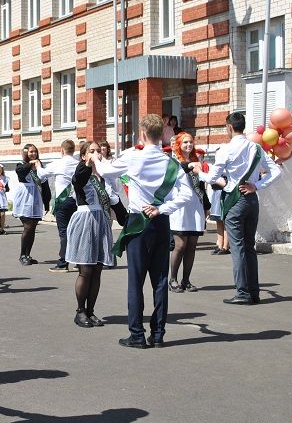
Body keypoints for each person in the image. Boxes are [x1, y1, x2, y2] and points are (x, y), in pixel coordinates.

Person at [96, 114, 194, 348]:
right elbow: (187, 195)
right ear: (162, 135)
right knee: (160, 280)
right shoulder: (170, 163)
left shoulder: (133, 156)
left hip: (138, 222)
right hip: (160, 222)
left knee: (136, 280)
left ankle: (137, 334)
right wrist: (162, 209)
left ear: (142, 134)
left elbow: (106, 171)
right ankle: (158, 334)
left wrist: (96, 158)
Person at [193, 112, 281, 305]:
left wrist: (200, 172)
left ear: (229, 128)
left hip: (235, 200)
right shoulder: (256, 148)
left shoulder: (226, 149)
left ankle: (242, 292)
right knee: (249, 247)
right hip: (252, 200)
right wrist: (257, 185)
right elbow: (277, 171)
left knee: (238, 248)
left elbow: (213, 176)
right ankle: (253, 292)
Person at [67, 141, 115, 328]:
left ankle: (91, 310)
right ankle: (80, 311)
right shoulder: (81, 173)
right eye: (92, 151)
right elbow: (79, 178)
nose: (97, 153)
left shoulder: (102, 178)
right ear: (84, 156)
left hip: (100, 221)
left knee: (97, 270)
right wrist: (88, 164)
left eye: (98, 151)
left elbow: (113, 202)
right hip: (85, 220)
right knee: (85, 270)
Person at [168, 133, 210, 293]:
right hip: (180, 207)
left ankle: (186, 280)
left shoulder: (196, 162)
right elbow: (180, 170)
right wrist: (191, 165)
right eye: (185, 142)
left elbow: (201, 186)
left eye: (191, 142)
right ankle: (173, 279)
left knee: (192, 246)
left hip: (195, 206)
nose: (189, 144)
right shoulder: (174, 162)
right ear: (179, 144)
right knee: (180, 245)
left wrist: (206, 205)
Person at [37, 140, 79, 273]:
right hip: (76, 201)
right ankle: (78, 260)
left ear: (62, 150)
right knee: (75, 231)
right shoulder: (78, 164)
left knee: (64, 232)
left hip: (63, 201)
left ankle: (63, 263)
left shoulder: (58, 163)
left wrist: (38, 166)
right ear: (73, 150)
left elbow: (42, 175)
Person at [13, 144, 49, 266]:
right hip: (25, 198)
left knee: (33, 227)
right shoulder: (21, 164)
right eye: (31, 152)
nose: (33, 154)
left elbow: (44, 183)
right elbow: (21, 172)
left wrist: (47, 201)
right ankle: (22, 255)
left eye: (35, 151)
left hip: (36, 197)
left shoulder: (40, 165)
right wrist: (31, 164)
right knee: (27, 227)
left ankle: (28, 254)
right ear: (26, 153)